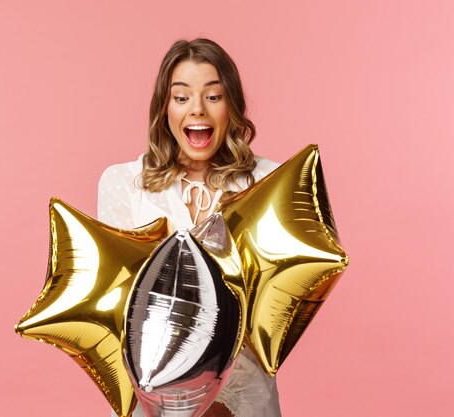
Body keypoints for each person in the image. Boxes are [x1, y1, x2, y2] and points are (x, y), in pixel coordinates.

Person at [98, 38, 282, 417]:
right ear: (164, 108)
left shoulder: (269, 181)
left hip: (245, 396)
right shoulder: (123, 183)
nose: (197, 109)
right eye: (181, 98)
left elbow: (287, 289)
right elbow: (118, 302)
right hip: (158, 398)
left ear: (231, 104)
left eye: (213, 96)